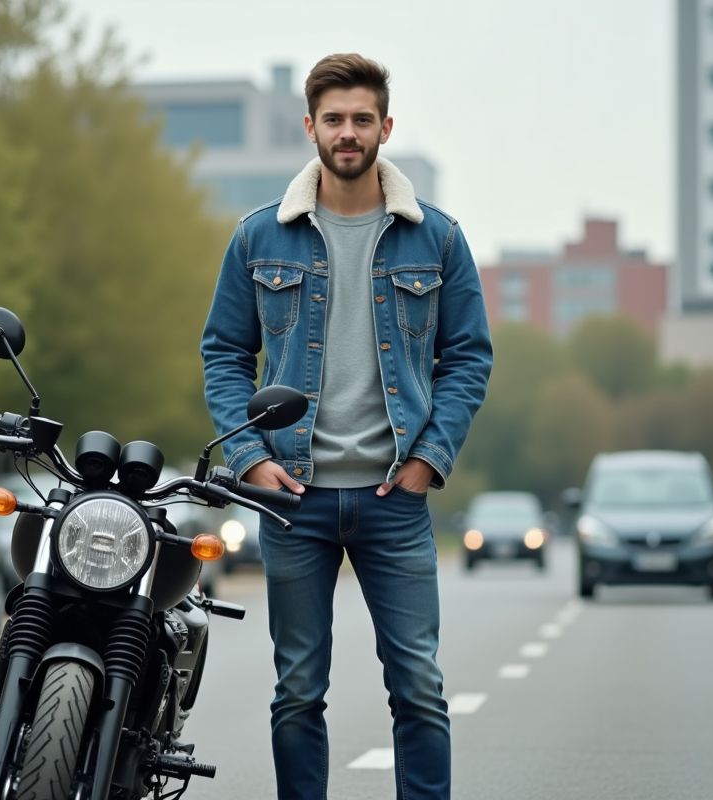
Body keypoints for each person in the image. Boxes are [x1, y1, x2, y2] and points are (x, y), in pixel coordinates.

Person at [201, 53, 492, 800]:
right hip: (291, 499)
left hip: (395, 498)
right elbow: (225, 354)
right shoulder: (258, 238)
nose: (348, 132)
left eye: (363, 118)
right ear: (310, 128)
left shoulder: (440, 241)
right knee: (297, 689)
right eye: (334, 119)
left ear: (385, 127)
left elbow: (468, 359)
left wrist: (430, 458)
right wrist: (249, 457)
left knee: (419, 688)